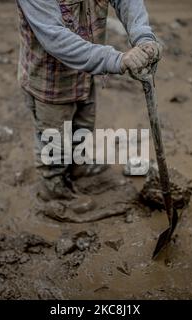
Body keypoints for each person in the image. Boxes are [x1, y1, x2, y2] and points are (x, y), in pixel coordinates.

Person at [16, 0, 161, 201]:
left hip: (86, 73)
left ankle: (78, 168)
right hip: (49, 82)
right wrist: (117, 60)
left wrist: (143, 36)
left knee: (83, 126)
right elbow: (56, 38)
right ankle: (53, 188)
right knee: (54, 142)